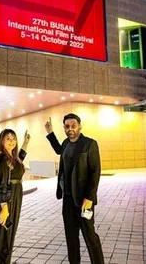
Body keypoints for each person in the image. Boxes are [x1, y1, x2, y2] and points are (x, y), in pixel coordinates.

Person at [45, 113, 104, 264]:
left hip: (84, 200)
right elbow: (59, 150)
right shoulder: (65, 143)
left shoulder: (89, 144)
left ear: (79, 126)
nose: (70, 129)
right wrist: (50, 133)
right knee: (71, 238)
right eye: (67, 126)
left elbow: (95, 171)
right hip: (68, 200)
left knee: (90, 236)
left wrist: (90, 198)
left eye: (73, 126)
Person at [0, 129, 30, 264]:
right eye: (8, 139)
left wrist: (25, 143)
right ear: (1, 141)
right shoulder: (3, 159)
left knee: (8, 235)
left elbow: (20, 160)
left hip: (13, 197)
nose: (11, 141)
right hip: (6, 200)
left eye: (13, 138)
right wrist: (4, 208)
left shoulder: (12, 158)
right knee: (3, 237)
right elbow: (1, 185)